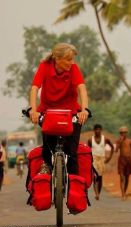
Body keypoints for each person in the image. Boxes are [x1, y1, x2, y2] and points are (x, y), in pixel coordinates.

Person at [28, 42, 90, 175]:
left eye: (72, 59)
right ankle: (47, 165)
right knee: (48, 149)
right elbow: (34, 88)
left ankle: (75, 187)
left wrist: (84, 110)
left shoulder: (73, 68)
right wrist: (33, 110)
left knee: (72, 155)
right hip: (48, 112)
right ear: (57, 58)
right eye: (68, 59)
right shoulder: (45, 67)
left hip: (71, 113)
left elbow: (82, 89)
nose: (71, 62)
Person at [87, 124, 114, 200]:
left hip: (102, 159)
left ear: (101, 130)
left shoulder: (105, 139)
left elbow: (112, 146)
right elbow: (88, 150)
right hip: (94, 159)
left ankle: (98, 192)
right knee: (95, 177)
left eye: (99, 129)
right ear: (94, 131)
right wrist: (89, 160)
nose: (97, 131)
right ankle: (97, 193)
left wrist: (110, 157)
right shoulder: (90, 140)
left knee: (100, 177)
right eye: (96, 129)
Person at [115, 126, 131, 200]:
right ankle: (123, 194)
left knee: (127, 177)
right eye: (122, 133)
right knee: (122, 177)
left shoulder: (130, 141)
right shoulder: (118, 141)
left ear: (126, 133)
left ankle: (125, 192)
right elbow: (116, 150)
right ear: (120, 134)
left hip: (128, 159)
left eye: (124, 133)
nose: (123, 134)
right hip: (121, 159)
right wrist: (120, 142)